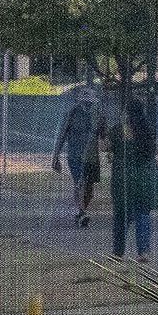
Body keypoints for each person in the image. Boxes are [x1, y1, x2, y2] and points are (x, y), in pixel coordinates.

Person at [105, 91, 158, 262]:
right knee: (142, 215)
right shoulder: (147, 130)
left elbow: (106, 148)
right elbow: (155, 151)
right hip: (143, 179)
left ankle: (118, 252)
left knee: (121, 216)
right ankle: (143, 252)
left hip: (123, 179)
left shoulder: (117, 130)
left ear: (126, 113)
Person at [52, 86, 101, 227]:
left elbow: (104, 136)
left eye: (90, 102)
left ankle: (81, 211)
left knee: (89, 189)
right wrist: (55, 157)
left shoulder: (98, 115)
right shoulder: (71, 113)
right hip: (75, 155)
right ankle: (81, 212)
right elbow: (61, 136)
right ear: (80, 101)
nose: (88, 105)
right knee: (80, 183)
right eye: (85, 102)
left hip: (92, 156)